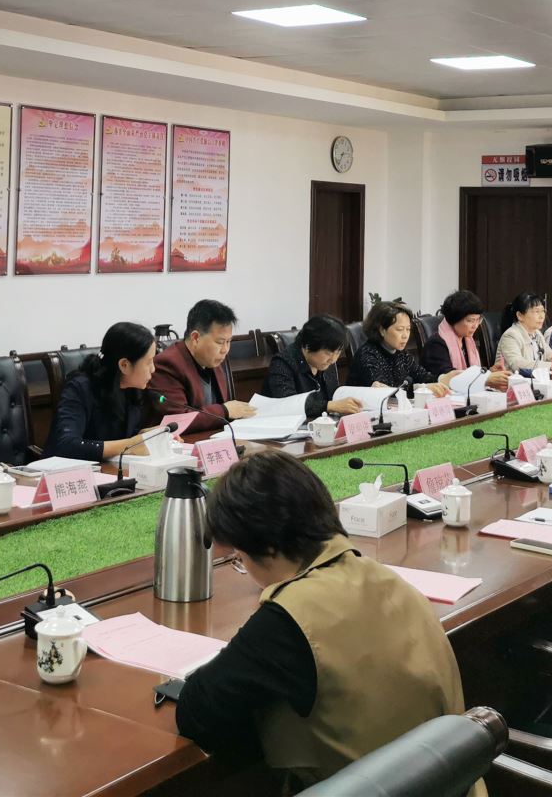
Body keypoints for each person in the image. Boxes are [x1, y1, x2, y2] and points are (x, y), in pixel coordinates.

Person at [177, 449, 475, 791]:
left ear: (267, 547)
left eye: (239, 557)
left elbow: (195, 712)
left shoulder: (290, 618)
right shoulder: (386, 578)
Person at [45, 322, 161, 461]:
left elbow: (122, 437)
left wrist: (146, 437)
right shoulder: (80, 388)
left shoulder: (132, 389)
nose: (153, 369)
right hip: (72, 470)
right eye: (148, 362)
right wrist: (130, 444)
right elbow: (65, 445)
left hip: (111, 468)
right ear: (124, 365)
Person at [151, 299, 254, 432]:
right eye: (220, 342)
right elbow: (177, 420)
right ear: (195, 338)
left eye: (229, 342)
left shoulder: (215, 359)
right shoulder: (167, 364)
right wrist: (224, 411)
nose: (225, 350)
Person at [264, 316, 360, 419]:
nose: (333, 360)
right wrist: (329, 406)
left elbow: (333, 395)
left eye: (338, 352)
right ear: (307, 345)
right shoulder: (282, 363)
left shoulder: (326, 363)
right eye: (328, 353)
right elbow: (288, 403)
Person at [347, 301, 453, 392]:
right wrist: (421, 388)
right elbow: (386, 392)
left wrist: (443, 378)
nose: (405, 335)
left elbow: (422, 376)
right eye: (400, 329)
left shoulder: (400, 353)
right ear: (382, 330)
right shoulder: (368, 355)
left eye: (408, 329)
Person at [420, 290, 509, 392]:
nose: (475, 326)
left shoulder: (466, 340)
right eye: (470, 320)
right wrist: (486, 379)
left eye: (478, 320)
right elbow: (450, 379)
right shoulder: (436, 345)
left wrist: (489, 372)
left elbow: (468, 373)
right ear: (454, 319)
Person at [497, 292, 551, 372]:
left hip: (532, 378)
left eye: (543, 311)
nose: (542, 316)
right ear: (520, 315)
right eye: (536, 311)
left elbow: (550, 356)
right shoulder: (511, 335)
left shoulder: (537, 333)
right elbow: (518, 364)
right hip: (512, 379)